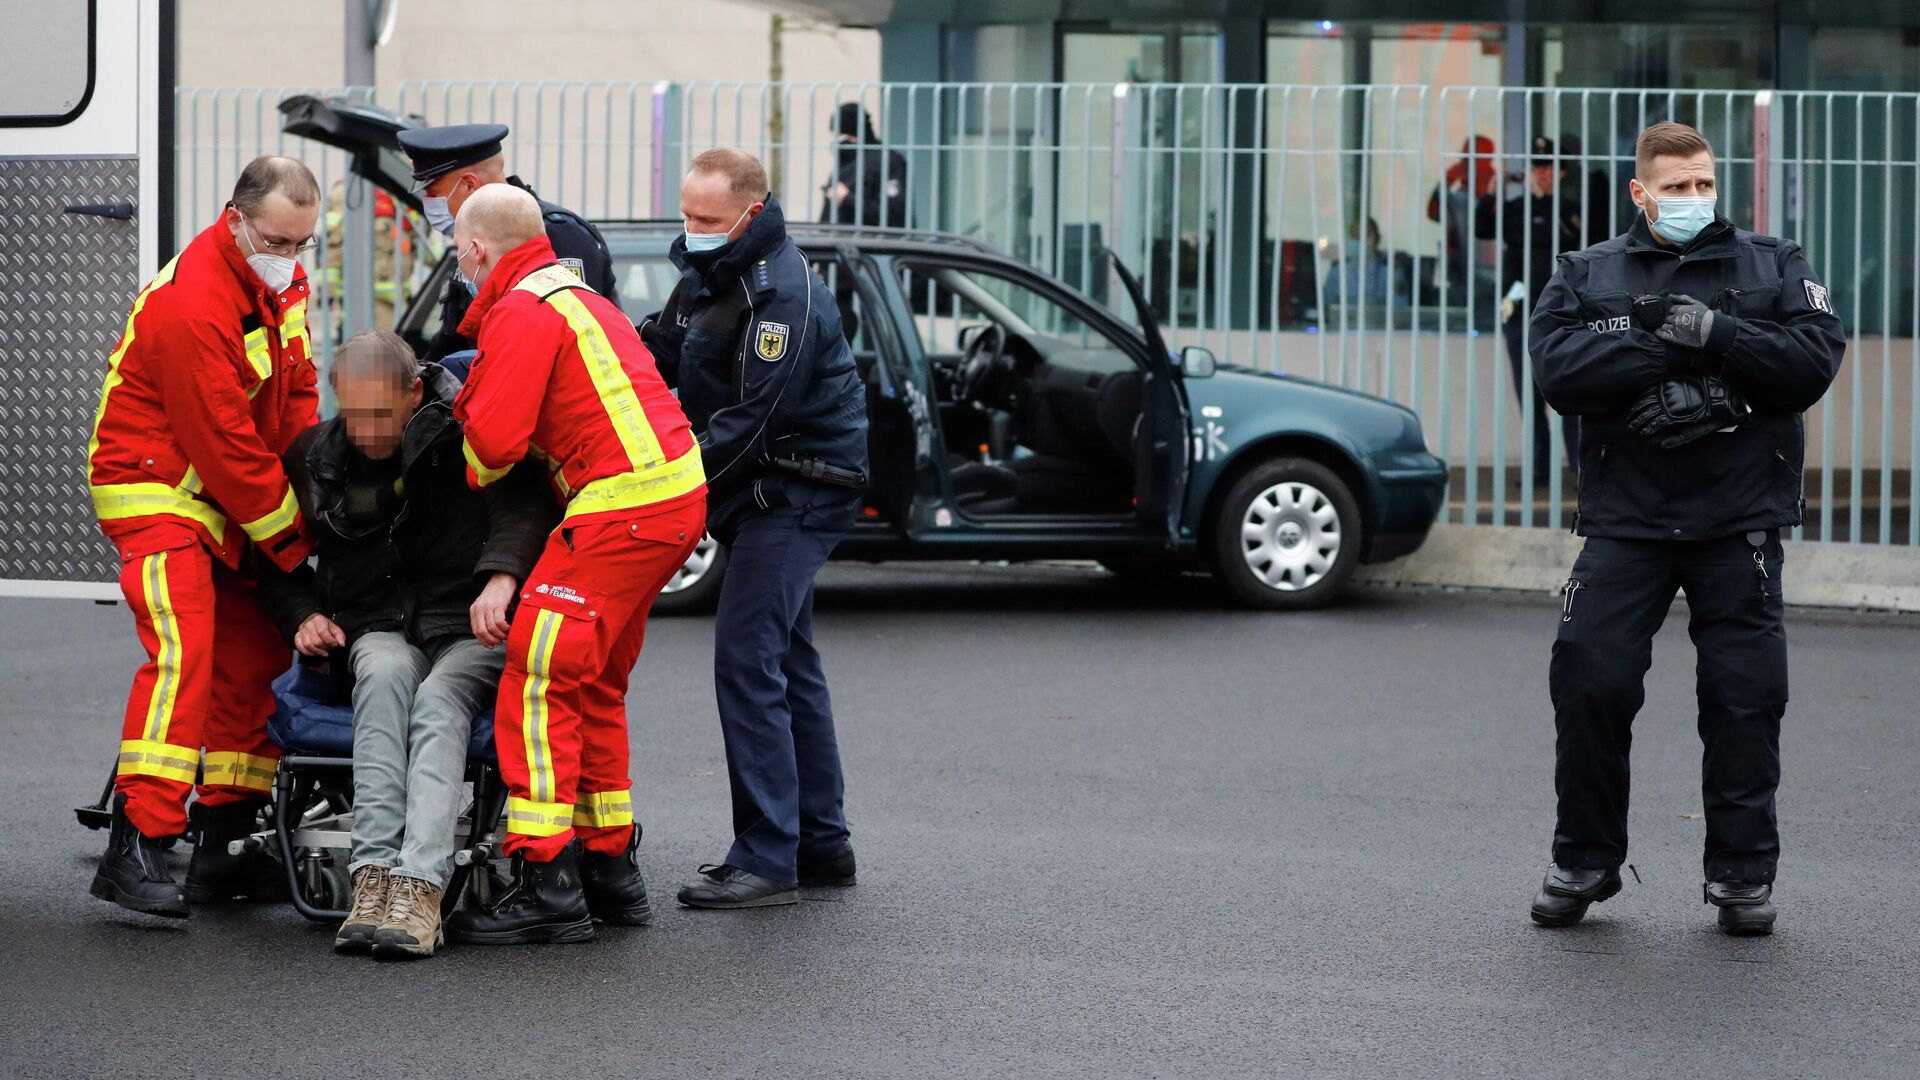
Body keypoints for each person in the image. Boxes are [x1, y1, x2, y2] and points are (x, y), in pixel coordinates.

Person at [1527, 121, 1845, 936]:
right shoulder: (1587, 271)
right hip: (1627, 520)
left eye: (1703, 184)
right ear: (1641, 192)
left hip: (1738, 520)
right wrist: (1666, 350)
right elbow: (1559, 372)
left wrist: (1719, 335)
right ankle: (1586, 862)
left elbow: (1812, 362)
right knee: (1589, 681)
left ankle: (1741, 877)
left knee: (1744, 699)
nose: (1692, 199)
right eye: (1676, 187)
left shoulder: (1775, 263)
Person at [443, 184, 707, 946]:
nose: (459, 264)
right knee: (591, 683)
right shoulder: (576, 293)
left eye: (461, 252)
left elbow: (491, 450)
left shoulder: (521, 310)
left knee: (537, 674)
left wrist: (464, 406)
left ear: (480, 250)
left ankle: (545, 881)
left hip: (621, 507)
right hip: (670, 499)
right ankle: (610, 870)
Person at [254, 331, 555, 959]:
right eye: (352, 412)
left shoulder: (464, 439)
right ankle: (373, 881)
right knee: (384, 679)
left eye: (380, 414)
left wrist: (501, 580)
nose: (365, 431)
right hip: (377, 626)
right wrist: (302, 615)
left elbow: (522, 505)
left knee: (440, 702)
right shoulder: (316, 455)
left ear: (414, 393)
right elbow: (274, 556)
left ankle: (419, 888)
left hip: (469, 624)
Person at [86, 156, 323, 919]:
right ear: (236, 217)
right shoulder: (195, 302)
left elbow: (295, 397)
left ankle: (225, 840)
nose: (289, 258)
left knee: (255, 648)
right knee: (183, 649)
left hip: (225, 497)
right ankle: (139, 843)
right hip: (156, 490)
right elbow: (220, 440)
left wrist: (309, 494)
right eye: (278, 241)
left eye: (302, 244)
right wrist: (295, 541)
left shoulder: (274, 283)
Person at [640, 148, 869, 909]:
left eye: (706, 219)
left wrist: (662, 484)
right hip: (763, 490)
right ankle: (820, 843)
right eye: (685, 214)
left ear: (749, 211)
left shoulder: (782, 294)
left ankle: (769, 856)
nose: (691, 229)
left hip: (797, 489)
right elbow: (659, 349)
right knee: (788, 661)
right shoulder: (712, 273)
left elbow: (751, 422)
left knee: (748, 660)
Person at [396, 123, 620, 364]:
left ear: (469, 186)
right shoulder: (472, 246)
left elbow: (571, 348)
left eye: (433, 193)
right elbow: (452, 342)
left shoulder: (559, 236)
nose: (428, 203)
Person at [1481, 136, 1584, 481]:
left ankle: (1580, 467)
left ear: (1562, 173)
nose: (1541, 174)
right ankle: (1540, 468)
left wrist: (1545, 203)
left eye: (1548, 168)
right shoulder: (1515, 208)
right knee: (1529, 392)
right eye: (1537, 167)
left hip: (1565, 311)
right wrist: (1495, 193)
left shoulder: (1570, 208)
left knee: (1571, 390)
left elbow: (1577, 241)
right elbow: (1482, 228)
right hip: (1521, 308)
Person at [820, 102, 908, 228]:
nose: (837, 140)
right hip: (840, 243)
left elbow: (894, 213)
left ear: (855, 135)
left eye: (841, 134)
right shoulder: (844, 164)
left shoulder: (888, 161)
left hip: (876, 244)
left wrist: (847, 199)